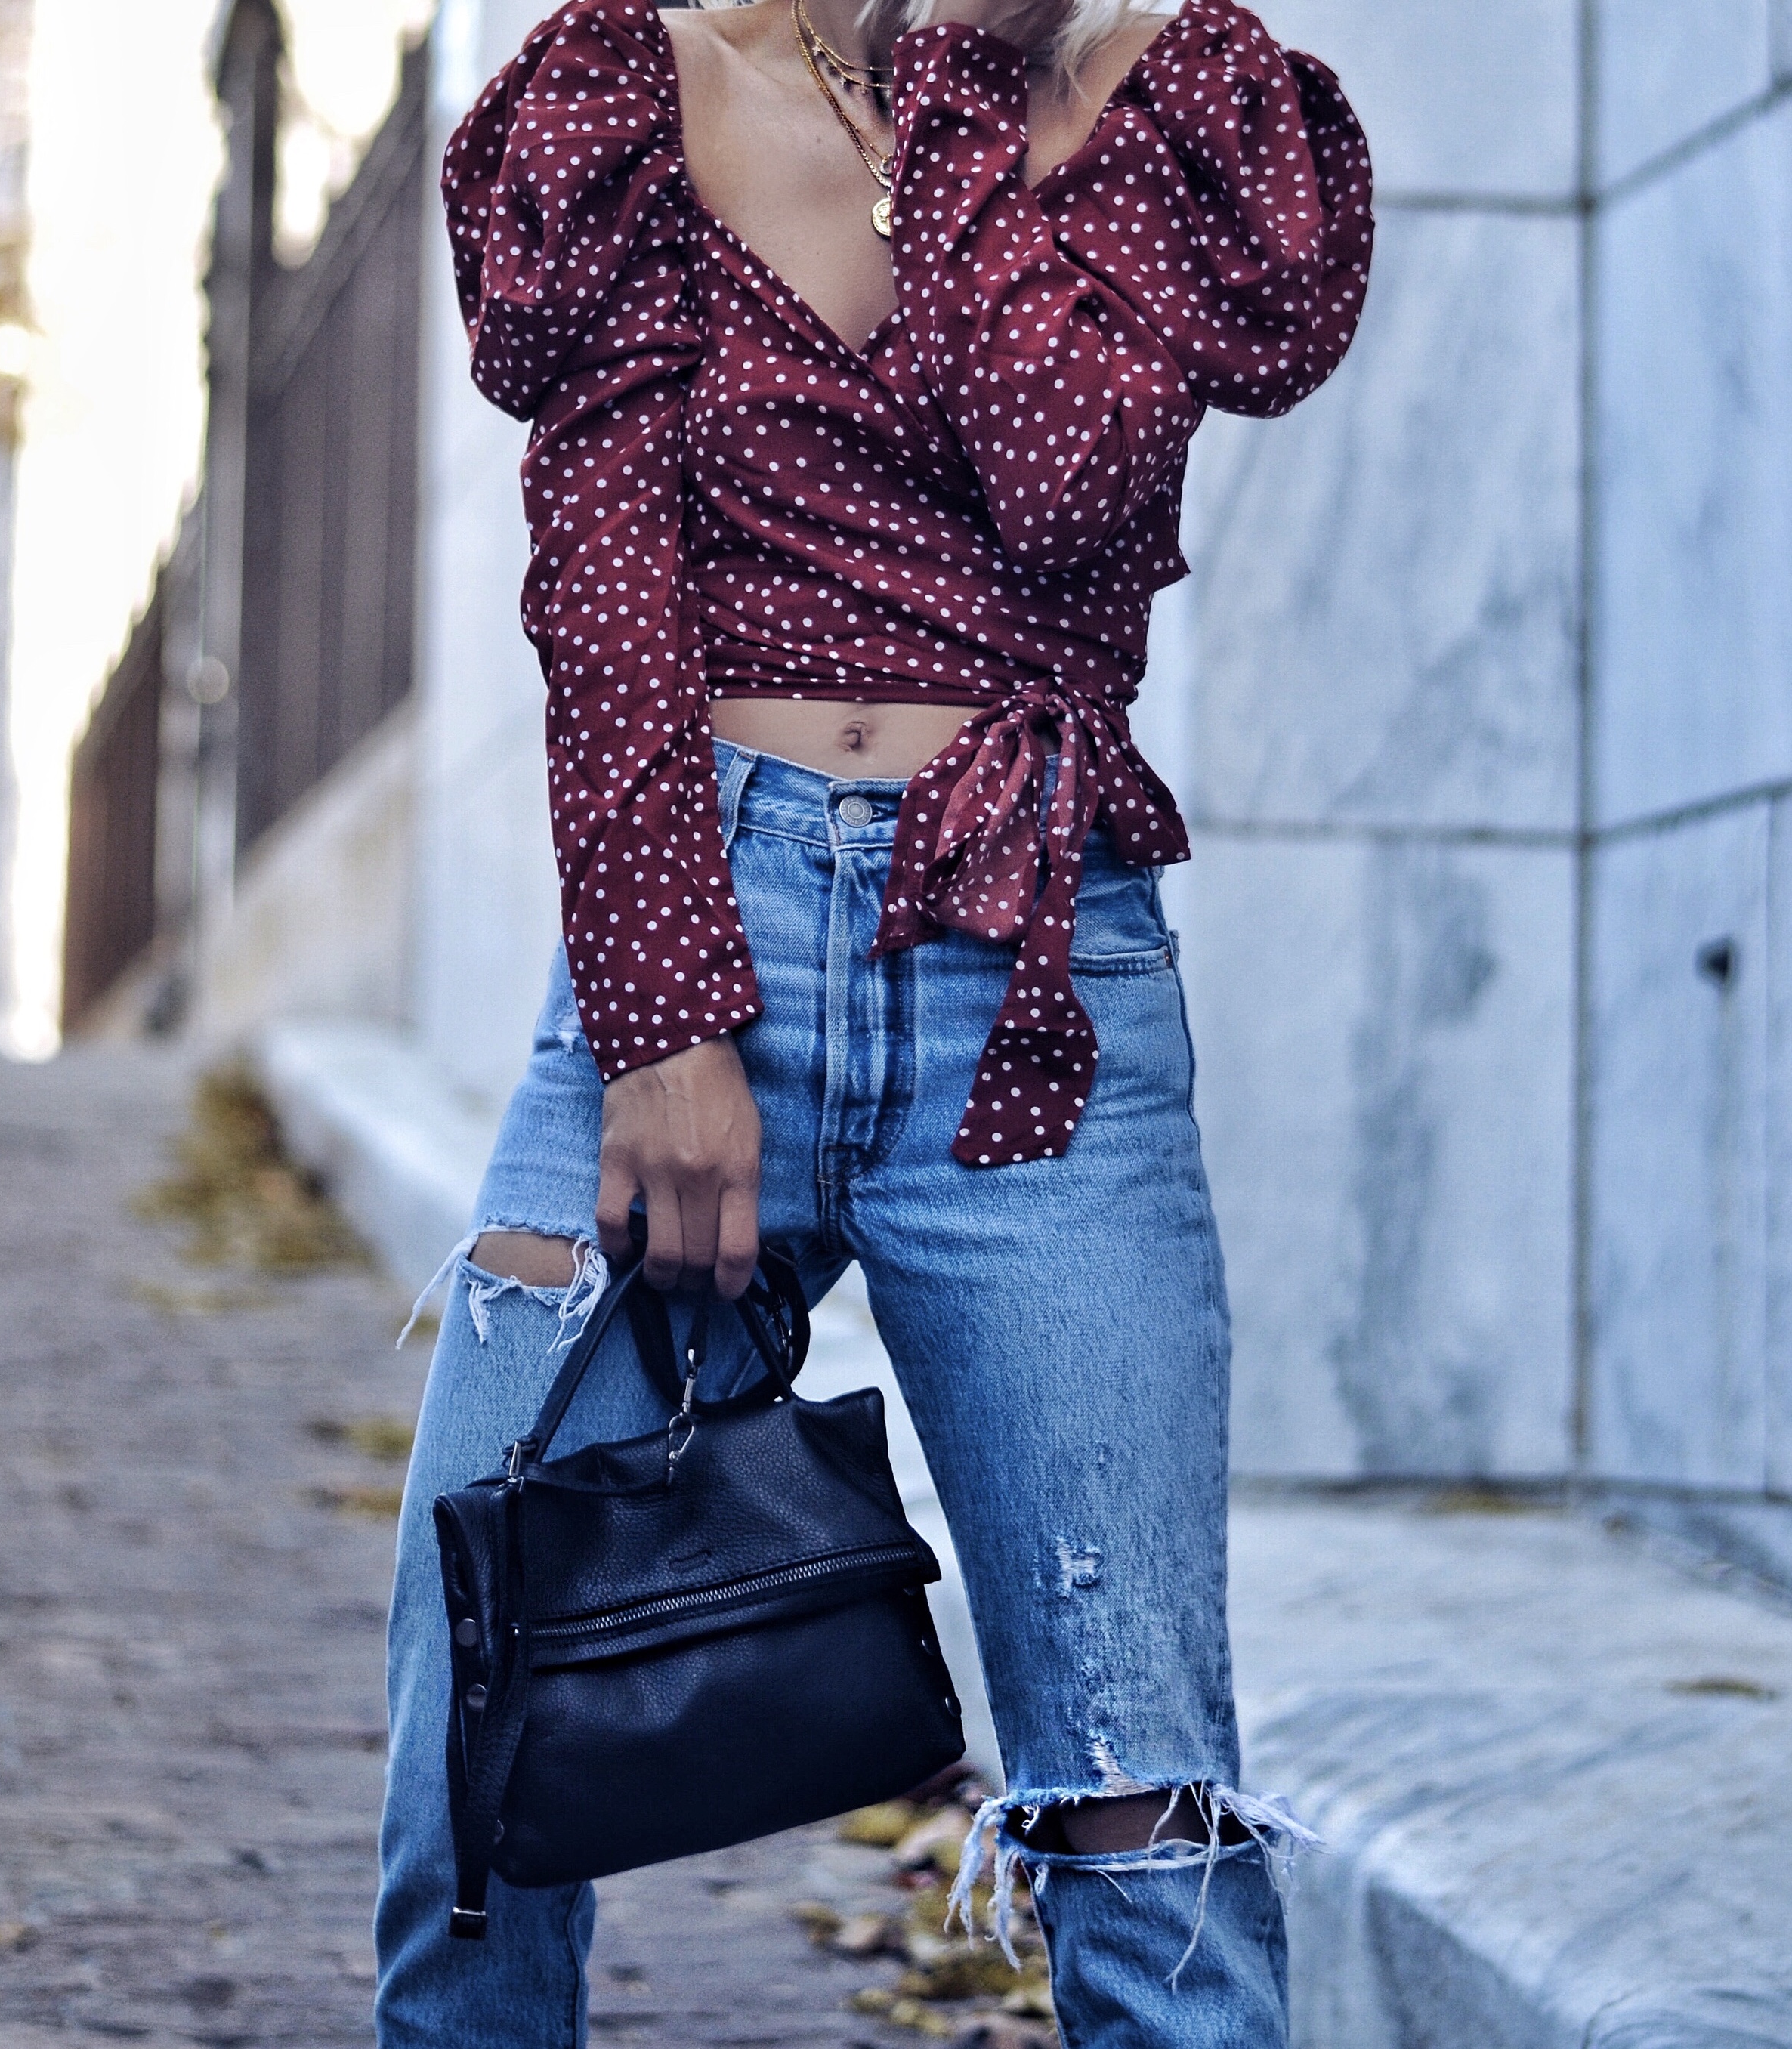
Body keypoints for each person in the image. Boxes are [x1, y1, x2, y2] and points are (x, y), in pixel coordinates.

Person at [372, 0, 1369, 2038]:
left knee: (1137, 1783)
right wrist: (664, 1020)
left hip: (1036, 993)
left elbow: (1100, 468)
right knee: (478, 1728)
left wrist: (1026, 77)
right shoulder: (626, 92)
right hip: (694, 948)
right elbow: (606, 581)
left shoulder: (1154, 104)